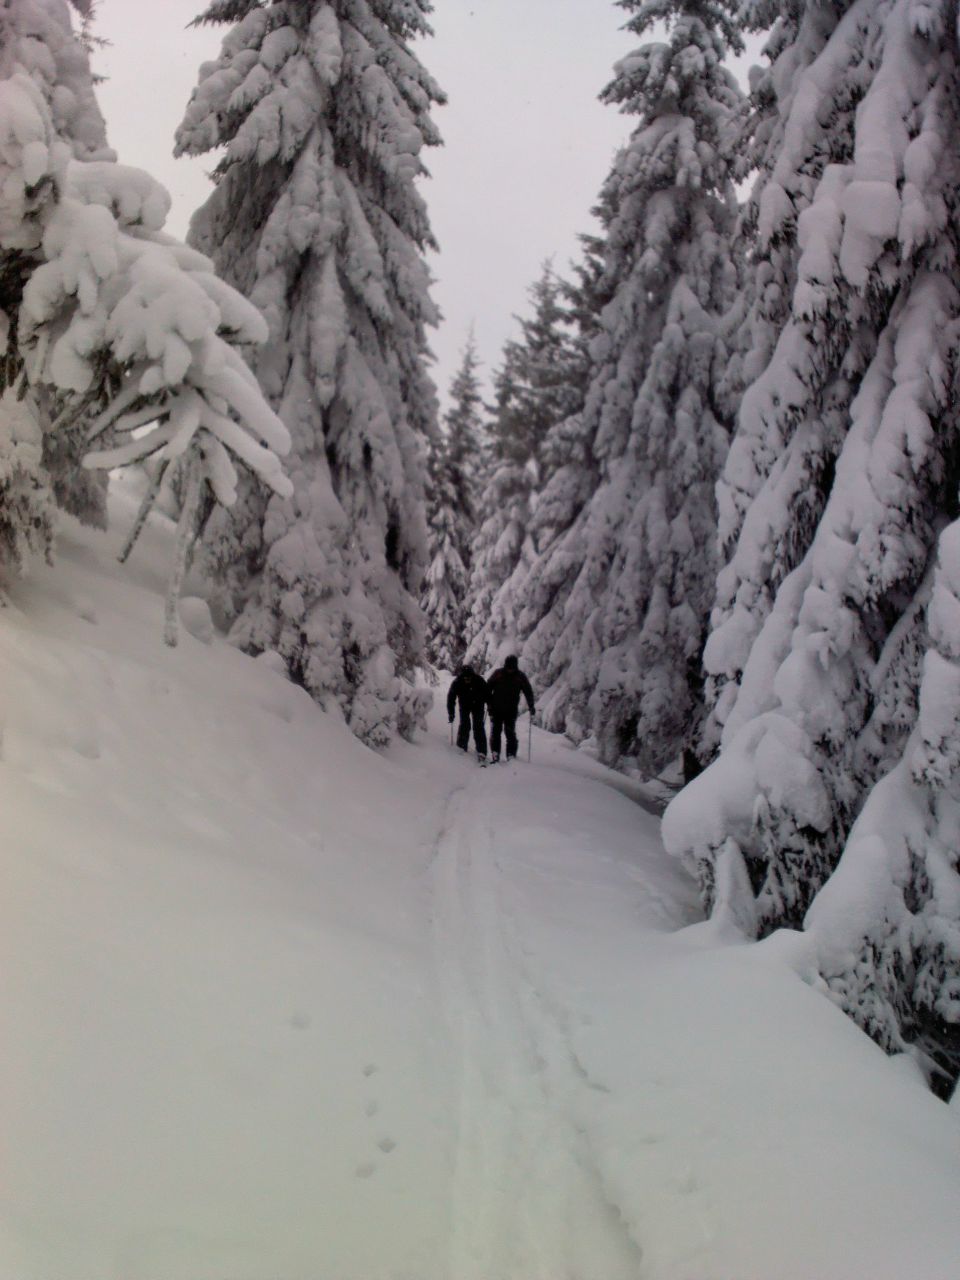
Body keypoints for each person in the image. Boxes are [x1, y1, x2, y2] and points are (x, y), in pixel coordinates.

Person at [486, 654, 535, 763]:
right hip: (496, 709)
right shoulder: (498, 674)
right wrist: (488, 703)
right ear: (505, 665)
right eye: (508, 668)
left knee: (510, 733)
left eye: (512, 668)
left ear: (515, 667)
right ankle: (495, 753)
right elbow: (488, 687)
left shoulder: (520, 677)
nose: (510, 670)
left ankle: (511, 754)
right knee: (496, 732)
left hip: (511, 710)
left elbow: (528, 691)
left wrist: (531, 705)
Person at [447, 664, 489, 762]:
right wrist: (451, 713)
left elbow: (487, 693)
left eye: (469, 678)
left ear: (472, 676)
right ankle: (461, 746)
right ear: (462, 676)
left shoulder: (479, 680)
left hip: (478, 705)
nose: (467, 680)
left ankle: (481, 750)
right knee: (465, 725)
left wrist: (490, 706)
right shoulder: (457, 682)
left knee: (478, 726)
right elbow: (451, 697)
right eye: (465, 678)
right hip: (464, 705)